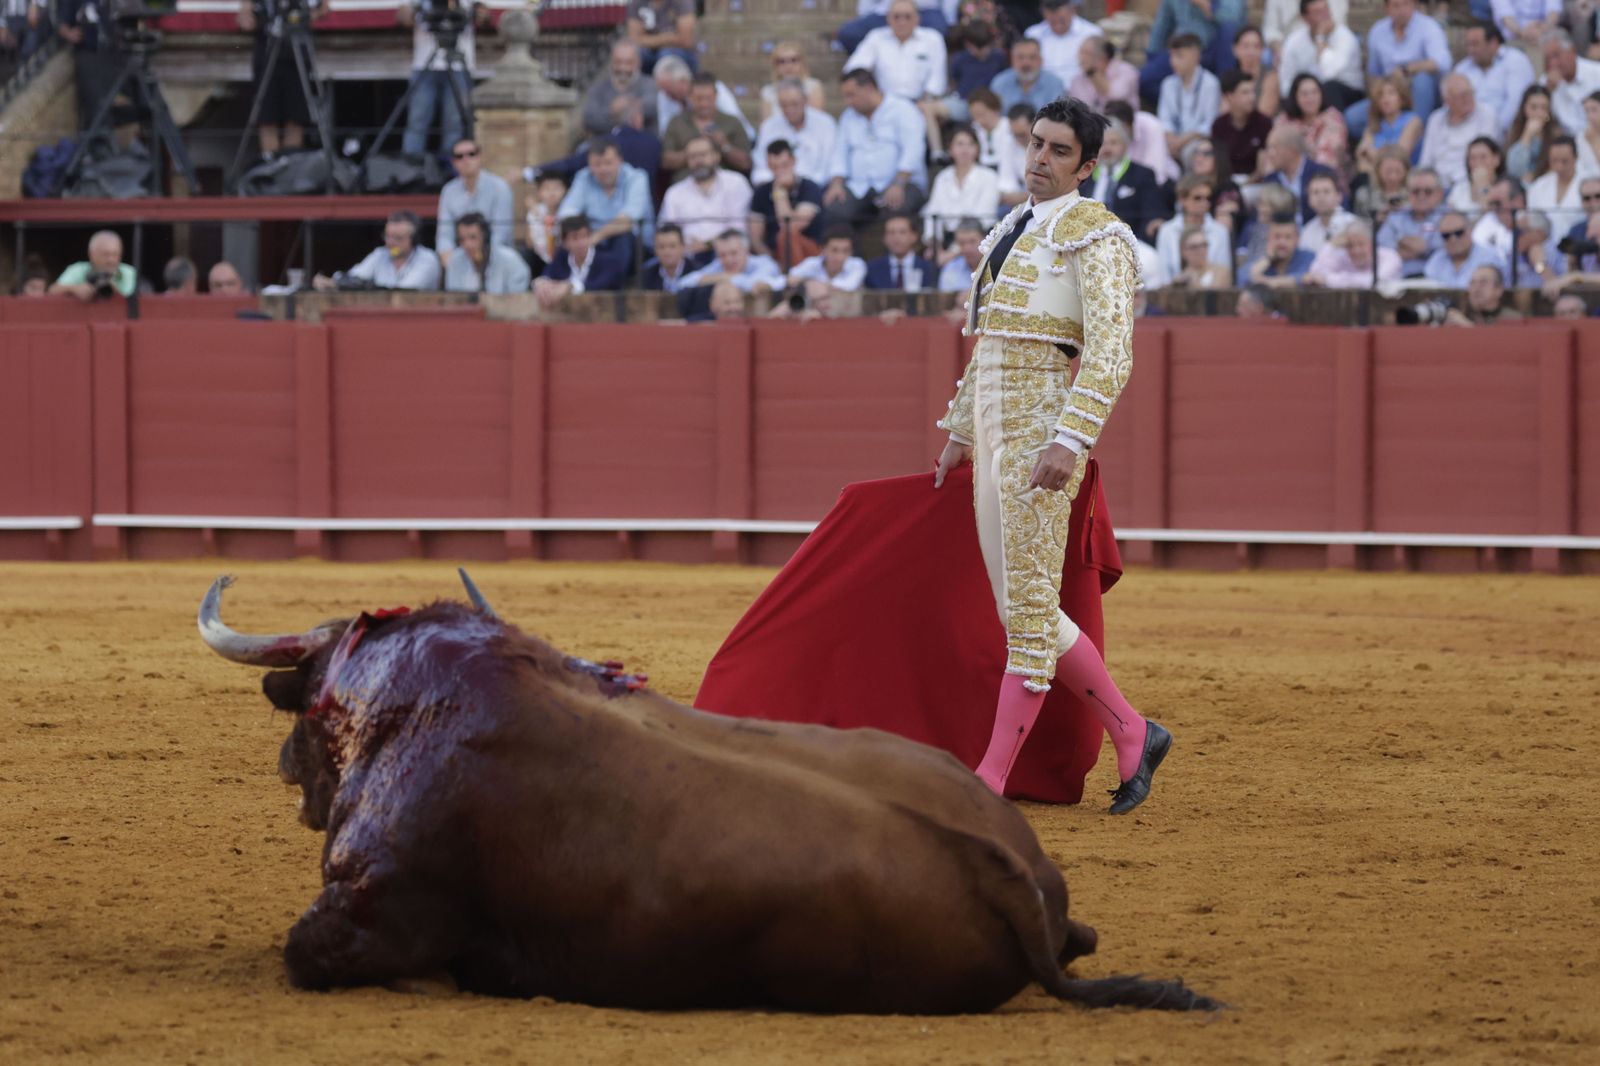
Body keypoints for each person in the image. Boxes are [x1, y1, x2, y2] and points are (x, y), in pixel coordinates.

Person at [931, 96, 1172, 813]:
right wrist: (961, 431)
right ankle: (1133, 730)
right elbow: (991, 346)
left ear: (1088, 166)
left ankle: (991, 781)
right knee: (1020, 608)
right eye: (1036, 143)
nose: (1040, 157)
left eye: (1059, 150)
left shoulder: (1099, 238)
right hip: (997, 434)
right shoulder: (1011, 228)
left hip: (1041, 433)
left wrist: (1070, 439)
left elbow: (1111, 354)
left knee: (1030, 609)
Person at [821, 69, 928, 230]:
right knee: (835, 209)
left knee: (897, 211)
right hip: (859, 186)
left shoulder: (902, 109)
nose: (848, 102)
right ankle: (851, 256)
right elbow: (839, 152)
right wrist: (836, 183)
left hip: (902, 183)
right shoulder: (848, 116)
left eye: (851, 95)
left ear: (869, 88)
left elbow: (913, 150)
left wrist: (898, 183)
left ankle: (892, 256)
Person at [844, 0, 949, 158]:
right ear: (888, 19)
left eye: (907, 17)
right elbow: (854, 68)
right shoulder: (876, 38)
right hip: (886, 103)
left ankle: (932, 158)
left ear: (917, 19)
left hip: (920, 103)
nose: (902, 22)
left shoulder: (932, 39)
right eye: (896, 17)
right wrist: (870, 91)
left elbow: (937, 80)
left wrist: (924, 99)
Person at [238, 0, 329, 161]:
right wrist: (246, 13)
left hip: (296, 50)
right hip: (267, 48)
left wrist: (305, 17)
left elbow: (323, 8)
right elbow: (246, 17)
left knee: (295, 117)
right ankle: (271, 168)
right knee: (266, 115)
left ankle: (289, 170)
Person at [396, 0, 488, 157]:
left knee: (454, 124)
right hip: (424, 63)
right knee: (418, 121)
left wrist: (477, 13)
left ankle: (450, 169)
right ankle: (410, 170)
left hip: (458, 63)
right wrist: (416, 13)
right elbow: (402, 16)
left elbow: (484, 15)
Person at [1348, 0, 1450, 140]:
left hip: (1419, 94)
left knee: (1423, 80)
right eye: (1396, 5)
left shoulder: (1429, 27)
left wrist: (1407, 69)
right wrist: (1381, 95)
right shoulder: (1378, 31)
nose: (1401, 10)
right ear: (1387, 8)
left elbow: (1443, 62)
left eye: (1406, 4)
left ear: (1415, 5)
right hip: (1390, 92)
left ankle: (1415, 136)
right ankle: (1392, 143)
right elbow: (1374, 73)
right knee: (1352, 118)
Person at [558, 136, 655, 263]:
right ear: (589, 164)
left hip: (635, 246)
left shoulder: (637, 177)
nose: (603, 169)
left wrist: (594, 238)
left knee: (622, 238)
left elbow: (627, 221)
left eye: (608, 163)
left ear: (620, 161)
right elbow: (566, 213)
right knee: (567, 240)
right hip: (593, 243)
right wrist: (581, 238)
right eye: (597, 164)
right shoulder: (583, 177)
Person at [658, 136, 755, 252]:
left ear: (717, 156)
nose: (698, 161)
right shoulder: (674, 193)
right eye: (693, 156)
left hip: (729, 255)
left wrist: (709, 244)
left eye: (703, 155)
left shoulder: (736, 183)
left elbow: (740, 228)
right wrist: (688, 245)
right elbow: (667, 233)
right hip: (688, 256)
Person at [1140, 0, 1244, 106]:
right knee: (1146, 80)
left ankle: (1222, 93)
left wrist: (1208, 6)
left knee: (1228, 30)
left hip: (1214, 52)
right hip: (1182, 48)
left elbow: (1235, 18)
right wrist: (1151, 58)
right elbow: (1161, 26)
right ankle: (1185, 104)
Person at [435, 137, 514, 268]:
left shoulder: (500, 187)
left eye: (471, 154)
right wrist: (450, 262)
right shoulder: (448, 190)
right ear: (454, 162)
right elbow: (444, 234)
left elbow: (501, 234)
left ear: (481, 157)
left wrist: (481, 258)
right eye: (459, 156)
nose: (466, 160)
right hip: (460, 259)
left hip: (497, 259)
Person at [313, 211, 440, 291]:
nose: (390, 243)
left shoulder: (427, 259)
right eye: (388, 236)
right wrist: (333, 283)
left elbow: (402, 292)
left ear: (413, 239)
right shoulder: (381, 254)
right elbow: (355, 277)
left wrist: (366, 286)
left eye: (398, 238)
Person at [662, 73, 753, 181]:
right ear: (689, 97)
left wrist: (724, 146)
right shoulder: (677, 122)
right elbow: (665, 161)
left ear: (716, 96)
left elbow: (746, 163)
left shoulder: (732, 122)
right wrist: (693, 153)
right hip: (685, 188)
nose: (704, 104)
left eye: (708, 98)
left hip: (726, 188)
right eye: (699, 99)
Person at [1276, 0, 1363, 111]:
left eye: (1326, 9)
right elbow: (1286, 79)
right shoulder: (1294, 41)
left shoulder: (1345, 37)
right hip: (1310, 93)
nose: (1325, 15)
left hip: (1347, 93)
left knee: (1329, 87)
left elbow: (1328, 72)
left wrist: (1320, 38)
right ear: (1305, 18)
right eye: (1318, 12)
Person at [749, 139, 825, 265]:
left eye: (784, 165)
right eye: (774, 167)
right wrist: (770, 263)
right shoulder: (761, 192)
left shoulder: (810, 188)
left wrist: (779, 191)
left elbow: (790, 227)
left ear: (793, 161)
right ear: (768, 165)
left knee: (786, 237)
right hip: (775, 256)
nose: (780, 172)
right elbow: (756, 239)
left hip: (811, 254)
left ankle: (793, 279)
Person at [1086, 119, 1164, 241]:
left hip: (1132, 242)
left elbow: (1150, 218)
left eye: (1113, 143)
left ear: (1125, 145)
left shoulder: (1143, 174)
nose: (1107, 149)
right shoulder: (1085, 175)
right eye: (1102, 144)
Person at [921, 124, 999, 244]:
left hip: (978, 241)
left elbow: (983, 219)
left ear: (977, 148)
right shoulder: (942, 177)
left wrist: (953, 252)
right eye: (960, 144)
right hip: (946, 239)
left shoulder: (989, 176)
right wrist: (935, 246)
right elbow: (933, 213)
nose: (965, 150)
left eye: (970, 144)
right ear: (950, 149)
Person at [1455, 20, 1534, 138]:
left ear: (1493, 43)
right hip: (1467, 132)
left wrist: (1492, 131)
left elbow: (1515, 103)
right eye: (1469, 45)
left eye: (1475, 44)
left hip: (1506, 132)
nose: (1471, 50)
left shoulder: (1515, 60)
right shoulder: (1462, 68)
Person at [1419, 76, 1499, 189]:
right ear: (1447, 100)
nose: (1468, 98)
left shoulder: (1487, 114)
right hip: (1437, 186)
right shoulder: (1435, 119)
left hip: (1470, 183)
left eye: (1470, 93)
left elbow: (1484, 157)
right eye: (1462, 96)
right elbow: (1426, 161)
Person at [752, 80, 836, 187]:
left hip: (816, 187)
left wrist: (800, 184)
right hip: (776, 186)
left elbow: (830, 166)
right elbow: (760, 167)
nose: (789, 109)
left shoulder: (825, 124)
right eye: (784, 105)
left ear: (805, 100)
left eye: (794, 104)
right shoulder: (769, 126)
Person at [534, 217, 628, 306]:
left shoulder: (609, 261)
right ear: (564, 242)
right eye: (574, 238)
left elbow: (600, 285)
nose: (581, 243)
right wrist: (542, 282)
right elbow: (548, 273)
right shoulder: (562, 256)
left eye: (584, 236)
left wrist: (570, 286)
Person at [1158, 34, 1223, 159]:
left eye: (1179, 56)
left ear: (1196, 57)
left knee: (1193, 151)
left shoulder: (1210, 83)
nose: (1173, 61)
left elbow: (1210, 123)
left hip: (1198, 140)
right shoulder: (1168, 84)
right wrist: (1171, 138)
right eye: (1171, 55)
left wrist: (1183, 140)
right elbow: (1164, 119)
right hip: (1173, 140)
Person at [1155, 173, 1232, 278]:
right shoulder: (1167, 231)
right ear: (1182, 200)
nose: (1204, 203)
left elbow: (1224, 271)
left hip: (1210, 291)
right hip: (1173, 291)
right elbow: (1163, 273)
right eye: (1198, 198)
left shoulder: (1220, 232)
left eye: (1208, 198)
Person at [583, 40, 660, 139]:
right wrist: (613, 110)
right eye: (618, 62)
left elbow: (651, 108)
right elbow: (589, 118)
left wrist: (621, 108)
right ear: (611, 62)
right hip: (606, 146)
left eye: (628, 62)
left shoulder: (649, 84)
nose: (622, 68)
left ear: (638, 63)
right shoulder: (599, 88)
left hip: (641, 143)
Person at [1378, 164, 1446, 275]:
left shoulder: (1448, 218)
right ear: (1408, 193)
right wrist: (1423, 250)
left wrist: (1402, 242)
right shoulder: (1395, 217)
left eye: (1428, 191)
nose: (1421, 196)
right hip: (1397, 280)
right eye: (1416, 191)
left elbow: (1446, 250)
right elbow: (1383, 250)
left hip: (1437, 279)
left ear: (1439, 194)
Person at [1276, 73, 1351, 173]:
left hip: (1325, 179)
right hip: (1289, 177)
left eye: (1315, 92)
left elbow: (1328, 158)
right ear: (1295, 97)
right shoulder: (1285, 120)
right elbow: (1277, 151)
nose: (1311, 98)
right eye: (1304, 94)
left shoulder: (1333, 118)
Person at [1353, 73, 1422, 180]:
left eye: (1391, 93)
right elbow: (1362, 155)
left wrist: (1373, 154)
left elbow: (1400, 156)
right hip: (1375, 179)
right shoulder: (1372, 126)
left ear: (1402, 97)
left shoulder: (1413, 121)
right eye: (1381, 95)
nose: (1386, 99)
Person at [442, 212, 531, 293]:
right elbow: (455, 299)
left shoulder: (510, 260)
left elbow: (518, 300)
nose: (467, 245)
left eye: (473, 237)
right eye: (462, 239)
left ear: (485, 237)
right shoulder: (455, 260)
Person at [1263, 125, 1335, 222]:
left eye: (1274, 148)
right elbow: (1257, 219)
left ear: (1292, 151)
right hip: (1282, 235)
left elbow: (1339, 211)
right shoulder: (1270, 180)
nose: (1269, 154)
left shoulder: (1323, 173)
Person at [681, 228, 784, 294]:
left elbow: (753, 285)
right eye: (722, 255)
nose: (728, 259)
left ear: (746, 250)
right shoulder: (718, 265)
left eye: (733, 253)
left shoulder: (765, 263)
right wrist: (723, 277)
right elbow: (682, 284)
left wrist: (727, 277)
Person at [1023, 0, 1101, 86]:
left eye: (1061, 20)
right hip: (1043, 92)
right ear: (1044, 14)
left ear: (1072, 11)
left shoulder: (1092, 33)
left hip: (1081, 91)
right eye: (1052, 21)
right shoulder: (1033, 34)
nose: (1057, 25)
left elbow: (1099, 68)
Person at [1303, 219, 1399, 286]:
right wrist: (1331, 245)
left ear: (1372, 243)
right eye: (1350, 245)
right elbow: (1315, 274)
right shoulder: (1343, 257)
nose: (1356, 251)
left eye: (1361, 244)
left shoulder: (1390, 257)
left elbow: (1375, 282)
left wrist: (1328, 280)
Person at [1213, 70, 1272, 179]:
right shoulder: (1219, 125)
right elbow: (1219, 163)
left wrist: (1245, 184)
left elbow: (1262, 168)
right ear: (1229, 96)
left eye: (1252, 92)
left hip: (1255, 183)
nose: (1252, 97)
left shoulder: (1264, 124)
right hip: (1227, 181)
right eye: (1245, 93)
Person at [1542, 31, 1600, 137]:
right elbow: (1542, 118)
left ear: (1572, 51)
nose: (1552, 63)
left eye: (1556, 55)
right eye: (1548, 59)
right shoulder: (1546, 82)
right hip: (1565, 144)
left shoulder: (1597, 74)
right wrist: (1548, 93)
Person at [1423, 210, 1505, 286]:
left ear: (1471, 230)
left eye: (1459, 233)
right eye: (1446, 235)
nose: (1453, 239)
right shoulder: (1436, 260)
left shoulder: (1489, 258)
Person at [50, 230, 138, 299]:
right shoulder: (78, 269)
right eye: (106, 255)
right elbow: (52, 291)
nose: (111, 260)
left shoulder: (129, 272)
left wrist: (112, 289)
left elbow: (133, 303)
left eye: (115, 255)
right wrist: (75, 289)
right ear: (92, 254)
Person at [989, 36, 1065, 114]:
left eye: (1032, 57)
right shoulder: (1000, 83)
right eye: (1020, 57)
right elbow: (994, 117)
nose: (1026, 63)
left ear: (1041, 61)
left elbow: (1056, 119)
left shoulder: (1054, 84)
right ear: (1012, 60)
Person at [864, 211, 937, 289]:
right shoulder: (872, 269)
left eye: (902, 232)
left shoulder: (929, 269)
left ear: (914, 236)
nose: (896, 238)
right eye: (891, 233)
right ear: (884, 238)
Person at [1239, 212, 1315, 286]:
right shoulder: (1260, 258)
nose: (1282, 242)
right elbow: (1241, 279)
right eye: (1277, 237)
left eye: (1288, 237)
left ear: (1297, 239)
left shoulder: (1308, 258)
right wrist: (1268, 259)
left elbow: (1308, 277)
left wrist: (1271, 282)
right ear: (1268, 238)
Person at [758, 41, 826, 122]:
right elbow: (767, 126)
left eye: (794, 60)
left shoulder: (813, 86)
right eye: (782, 61)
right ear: (775, 66)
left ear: (802, 63)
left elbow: (818, 120)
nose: (788, 66)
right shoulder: (768, 92)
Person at [624, 0, 696, 74]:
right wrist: (668, 37)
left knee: (666, 54)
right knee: (631, 55)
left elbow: (686, 40)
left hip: (681, 53)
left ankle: (667, 84)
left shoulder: (682, 2)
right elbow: (634, 40)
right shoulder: (637, 3)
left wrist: (646, 39)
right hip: (649, 52)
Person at [787, 226, 868, 291]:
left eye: (846, 251)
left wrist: (810, 283)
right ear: (823, 249)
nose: (840, 256)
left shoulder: (857, 264)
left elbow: (848, 287)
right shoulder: (811, 262)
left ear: (851, 252)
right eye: (834, 250)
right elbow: (789, 280)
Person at [1505, 84, 1559, 181]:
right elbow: (1515, 171)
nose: (1539, 113)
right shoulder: (1515, 132)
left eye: (1544, 108)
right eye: (1534, 107)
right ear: (1524, 109)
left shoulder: (1556, 135)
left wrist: (1535, 176)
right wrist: (1527, 135)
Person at [1070, 36, 1138, 111]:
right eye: (1080, 52)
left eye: (1087, 53)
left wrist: (1094, 72)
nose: (1081, 58)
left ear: (1102, 57)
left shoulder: (1126, 71)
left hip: (1122, 120)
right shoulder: (1077, 80)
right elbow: (1081, 109)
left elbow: (1116, 98)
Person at [1446, 135, 1506, 213]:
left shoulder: (1505, 188)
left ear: (1496, 159)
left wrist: (1482, 186)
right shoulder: (1459, 189)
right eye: (1473, 158)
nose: (1478, 163)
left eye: (1483, 157)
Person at [1446, 264, 1524, 323]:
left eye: (1483, 282)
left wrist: (1469, 328)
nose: (1476, 289)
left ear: (1499, 290)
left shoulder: (1512, 319)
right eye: (1472, 282)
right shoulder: (1460, 316)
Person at [1232, 25, 1281, 119]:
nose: (1251, 51)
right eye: (1246, 46)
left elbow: (1264, 115)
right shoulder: (1230, 78)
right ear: (1235, 49)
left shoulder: (1271, 77)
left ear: (1263, 50)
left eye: (1256, 46)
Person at [1298, 170, 1355, 252]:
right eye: (1315, 192)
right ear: (1309, 200)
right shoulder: (1307, 231)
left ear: (1339, 196)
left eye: (1326, 191)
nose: (1321, 197)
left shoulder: (1352, 224)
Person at [1528, 133, 1583, 216]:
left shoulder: (1590, 184)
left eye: (1565, 161)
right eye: (1554, 161)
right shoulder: (1539, 186)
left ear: (1576, 157)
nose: (1559, 167)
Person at [1260, 0, 1346, 53]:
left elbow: (1338, 25)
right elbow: (1270, 30)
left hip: (1327, 46)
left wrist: (1320, 40)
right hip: (1287, 49)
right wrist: (1281, 52)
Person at [1354, 144, 1412, 220]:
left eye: (1398, 172)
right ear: (1377, 171)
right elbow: (1359, 224)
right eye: (1388, 172)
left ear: (1406, 171)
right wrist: (1376, 220)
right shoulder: (1364, 195)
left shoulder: (1414, 194)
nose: (1393, 177)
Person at [524, 171, 568, 269]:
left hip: (563, 259)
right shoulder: (533, 213)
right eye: (547, 189)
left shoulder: (568, 213)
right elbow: (529, 243)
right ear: (539, 192)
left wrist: (542, 216)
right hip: (539, 259)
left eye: (556, 188)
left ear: (565, 190)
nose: (552, 193)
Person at [1168, 225, 1233, 288]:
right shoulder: (1178, 280)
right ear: (1183, 251)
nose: (1201, 250)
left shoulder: (1221, 272)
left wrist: (1195, 284)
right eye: (1194, 247)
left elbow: (1217, 294)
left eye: (1204, 245)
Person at [937, 217, 986, 292]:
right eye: (962, 243)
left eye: (972, 242)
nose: (967, 249)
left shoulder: (995, 266)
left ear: (984, 239)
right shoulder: (951, 268)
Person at [640, 223, 692, 292]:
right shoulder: (646, 275)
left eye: (672, 246)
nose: (667, 252)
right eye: (661, 247)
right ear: (655, 249)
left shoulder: (696, 272)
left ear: (683, 247)